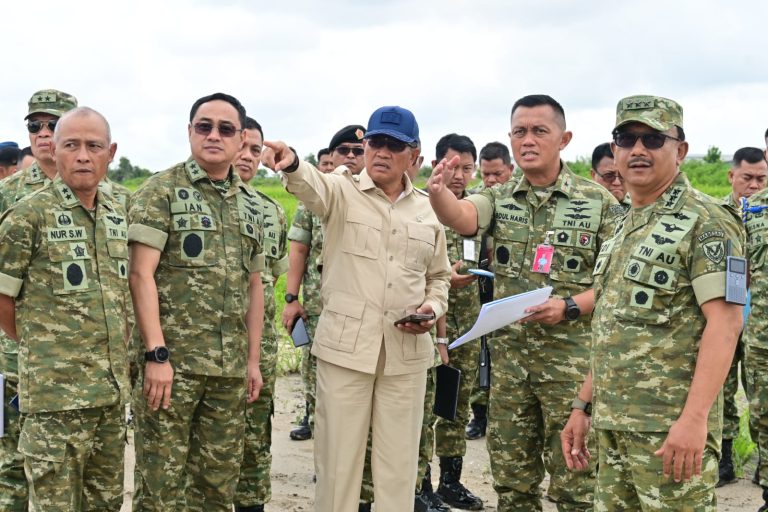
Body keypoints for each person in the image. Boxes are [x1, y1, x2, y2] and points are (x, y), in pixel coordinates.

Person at [428, 94, 619, 511]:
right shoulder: (497, 198)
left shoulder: (599, 203)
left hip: (568, 369)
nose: (527, 140)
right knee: (513, 485)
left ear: (563, 138)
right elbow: (462, 216)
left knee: (576, 484)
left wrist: (569, 306)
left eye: (539, 131)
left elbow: (614, 286)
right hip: (511, 369)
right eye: (519, 132)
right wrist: (439, 193)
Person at [263, 105, 451, 512]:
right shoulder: (341, 191)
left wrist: (432, 309)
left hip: (406, 355)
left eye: (394, 145)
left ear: (414, 156)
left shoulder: (427, 210)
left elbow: (440, 276)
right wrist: (292, 162)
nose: (381, 152)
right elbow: (310, 183)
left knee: (398, 468)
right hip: (346, 353)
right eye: (375, 143)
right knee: (337, 467)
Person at [561, 95, 745, 511]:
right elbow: (613, 324)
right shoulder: (625, 221)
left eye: (652, 139)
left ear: (679, 150)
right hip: (613, 426)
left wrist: (695, 420)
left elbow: (726, 324)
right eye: (626, 139)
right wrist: (582, 406)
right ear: (614, 151)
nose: (638, 150)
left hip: (670, 432)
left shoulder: (707, 220)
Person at [128, 92, 265, 511]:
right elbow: (140, 275)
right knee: (160, 487)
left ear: (241, 139)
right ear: (190, 132)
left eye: (226, 129)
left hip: (227, 371)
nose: (213, 135)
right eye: (203, 126)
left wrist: (253, 360)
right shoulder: (161, 191)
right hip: (173, 370)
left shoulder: (252, 204)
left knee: (217, 488)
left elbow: (254, 286)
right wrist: (157, 354)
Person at [0, 107, 130, 510]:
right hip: (54, 402)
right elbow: (2, 298)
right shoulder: (27, 216)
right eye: (71, 145)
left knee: (105, 504)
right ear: (53, 151)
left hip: (109, 398)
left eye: (93, 146)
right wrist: (41, 345)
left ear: (110, 153)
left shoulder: (118, 214)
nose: (83, 156)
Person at [0, 88, 77, 511]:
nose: (43, 134)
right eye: (35, 126)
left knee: (68, 469)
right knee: (8, 466)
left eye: (53, 124)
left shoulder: (101, 195)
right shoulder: (8, 195)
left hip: (76, 367)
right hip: (11, 360)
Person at [283, 125, 366, 443]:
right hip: (321, 308)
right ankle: (326, 457)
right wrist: (291, 298)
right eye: (343, 150)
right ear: (330, 157)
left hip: (363, 310)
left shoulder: (377, 199)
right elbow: (299, 249)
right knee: (319, 380)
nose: (350, 156)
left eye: (358, 151)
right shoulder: (312, 201)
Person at [234, 117, 289, 512]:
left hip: (260, 346)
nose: (248, 157)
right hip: (204, 345)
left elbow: (270, 279)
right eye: (244, 146)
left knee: (255, 441)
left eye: (257, 150)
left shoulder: (272, 212)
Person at [429, 133, 484, 511]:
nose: (460, 175)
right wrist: (445, 275)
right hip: (429, 330)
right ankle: (420, 485)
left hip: (466, 329)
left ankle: (450, 481)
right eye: (453, 167)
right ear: (437, 165)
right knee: (423, 409)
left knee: (455, 407)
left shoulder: (477, 212)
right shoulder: (421, 208)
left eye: (467, 168)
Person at [719, 147, 767, 487]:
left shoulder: (762, 211)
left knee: (759, 396)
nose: (752, 185)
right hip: (721, 317)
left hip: (757, 322)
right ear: (732, 176)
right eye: (747, 177)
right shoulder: (715, 212)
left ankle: (762, 466)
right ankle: (723, 461)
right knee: (721, 390)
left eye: (760, 178)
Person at [465, 141, 515, 441]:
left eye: (497, 173)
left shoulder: (515, 205)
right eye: (486, 174)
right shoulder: (477, 202)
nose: (491, 180)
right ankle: (479, 414)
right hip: (478, 290)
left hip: (508, 294)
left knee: (501, 356)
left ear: (510, 169)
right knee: (478, 354)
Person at [590, 142, 631, 209]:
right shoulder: (578, 206)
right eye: (609, 176)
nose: (617, 182)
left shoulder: (642, 208)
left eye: (623, 175)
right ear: (593, 175)